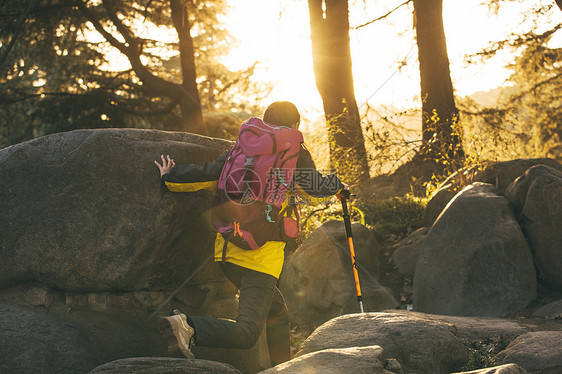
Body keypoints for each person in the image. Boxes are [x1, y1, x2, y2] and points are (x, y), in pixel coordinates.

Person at [154, 101, 345, 366]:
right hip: (259, 256)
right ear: (295, 125)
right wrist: (338, 186)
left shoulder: (240, 148)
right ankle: (188, 327)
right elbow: (312, 188)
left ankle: (282, 367)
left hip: (227, 250)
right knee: (247, 332)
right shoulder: (293, 152)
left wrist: (171, 176)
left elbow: (208, 174)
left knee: (277, 312)